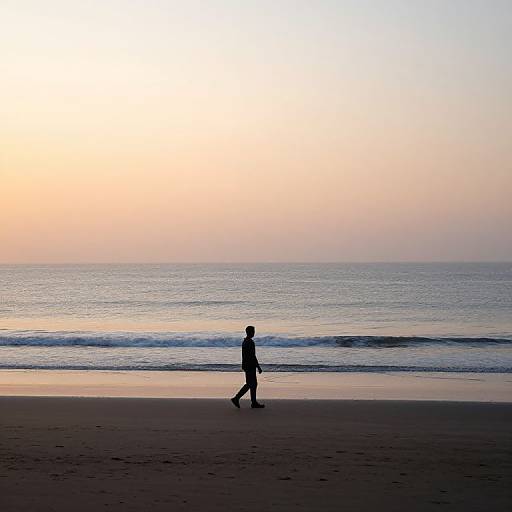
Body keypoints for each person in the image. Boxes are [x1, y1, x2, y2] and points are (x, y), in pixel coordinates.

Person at [231, 326, 265, 409]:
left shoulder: (245, 341)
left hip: (246, 365)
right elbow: (253, 356)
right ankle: (236, 398)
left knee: (252, 384)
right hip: (250, 366)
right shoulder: (250, 342)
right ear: (250, 332)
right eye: (253, 331)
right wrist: (258, 367)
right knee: (250, 384)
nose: (254, 333)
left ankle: (253, 402)